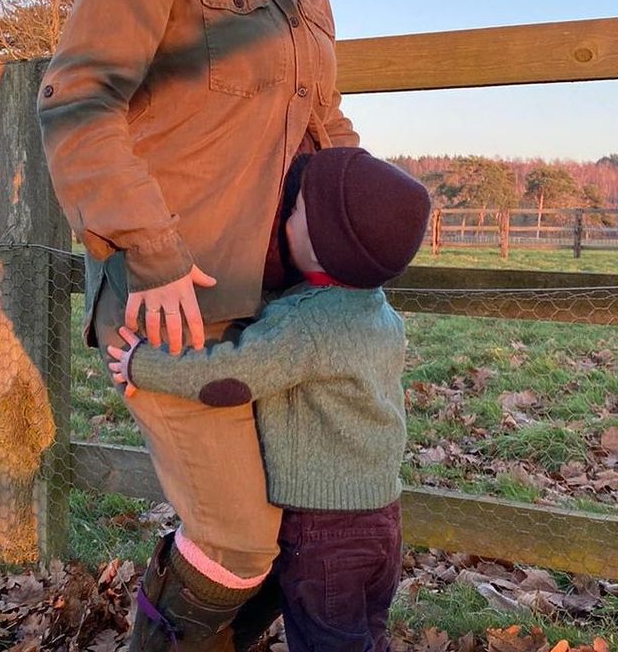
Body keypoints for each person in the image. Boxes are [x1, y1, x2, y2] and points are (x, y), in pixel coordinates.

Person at [37, 0, 388, 651]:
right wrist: (147, 252)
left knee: (293, 539)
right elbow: (77, 98)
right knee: (238, 539)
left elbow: (324, 124)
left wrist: (377, 214)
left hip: (277, 317)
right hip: (170, 306)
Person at [108, 147, 432, 652]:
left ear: (326, 244)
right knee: (366, 635)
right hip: (381, 524)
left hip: (322, 532)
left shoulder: (304, 326)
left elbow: (229, 377)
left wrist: (142, 365)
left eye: (296, 210)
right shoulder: (379, 312)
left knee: (328, 642)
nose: (285, 218)